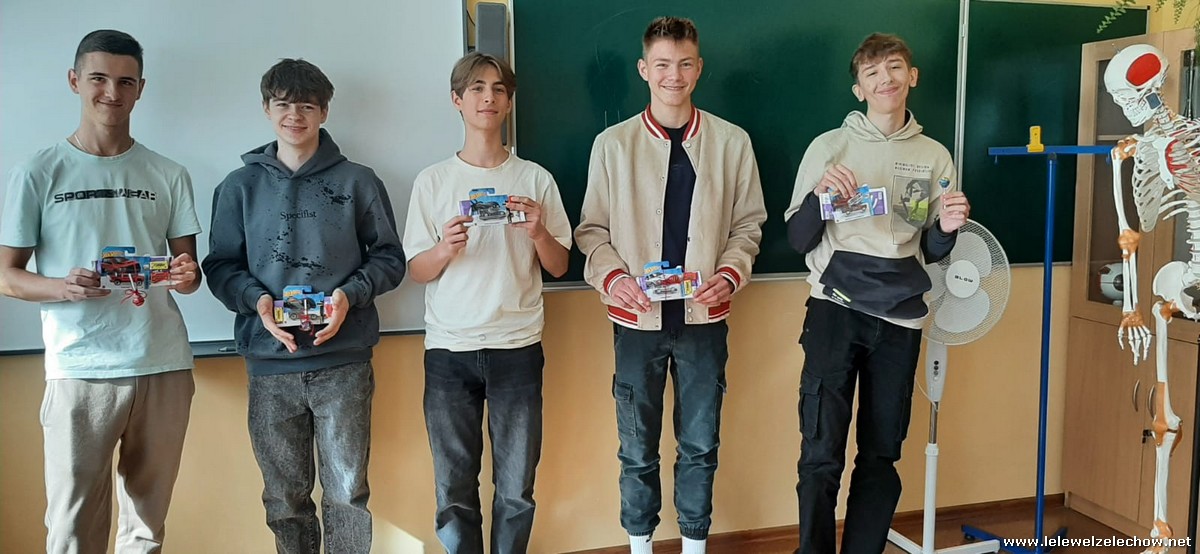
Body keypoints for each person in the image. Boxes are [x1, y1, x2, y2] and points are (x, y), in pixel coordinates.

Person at [0, 29, 202, 553]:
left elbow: (189, 271)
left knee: (146, 529)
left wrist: (187, 275)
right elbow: (6, 275)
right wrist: (61, 287)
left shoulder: (168, 173)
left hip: (162, 364)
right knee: (71, 531)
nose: (112, 92)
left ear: (140, 89)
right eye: (98, 78)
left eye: (126, 82)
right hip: (79, 367)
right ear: (75, 81)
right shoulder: (36, 172)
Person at [574, 16, 767, 554]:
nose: (673, 76)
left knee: (700, 445)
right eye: (662, 64)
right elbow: (591, 230)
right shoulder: (613, 145)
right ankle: (640, 545)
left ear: (699, 68)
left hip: (704, 322)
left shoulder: (732, 142)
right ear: (644, 69)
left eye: (684, 64)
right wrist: (615, 279)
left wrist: (729, 274)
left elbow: (749, 225)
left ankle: (694, 546)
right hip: (637, 324)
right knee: (637, 449)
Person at [202, 58, 405, 554]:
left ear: (324, 112)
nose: (295, 115)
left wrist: (348, 295)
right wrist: (258, 302)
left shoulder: (358, 181)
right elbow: (221, 267)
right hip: (269, 364)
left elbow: (389, 258)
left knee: (348, 496)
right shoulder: (238, 187)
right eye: (283, 104)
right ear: (267, 109)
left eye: (307, 106)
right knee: (284, 500)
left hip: (344, 363)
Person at [783, 32, 971, 554]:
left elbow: (930, 248)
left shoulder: (934, 156)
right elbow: (797, 240)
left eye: (894, 68)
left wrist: (947, 228)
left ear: (912, 76)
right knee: (821, 451)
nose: (884, 79)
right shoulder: (829, 148)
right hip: (835, 310)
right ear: (858, 89)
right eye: (872, 72)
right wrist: (820, 198)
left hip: (900, 320)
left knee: (882, 452)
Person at [404, 51, 571, 554]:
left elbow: (560, 265)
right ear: (457, 100)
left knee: (516, 488)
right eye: (476, 88)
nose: (488, 98)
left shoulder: (535, 179)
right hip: (449, 350)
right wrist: (444, 248)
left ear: (509, 102)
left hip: (517, 346)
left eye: (498, 89)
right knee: (454, 488)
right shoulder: (433, 181)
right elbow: (417, 270)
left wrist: (539, 232)